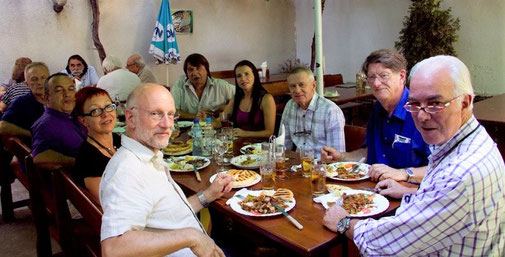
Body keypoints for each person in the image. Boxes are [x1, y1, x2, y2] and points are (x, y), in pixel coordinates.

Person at [323, 55, 505, 256]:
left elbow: (388, 245)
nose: (422, 116)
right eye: (414, 104)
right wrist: (412, 193)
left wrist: (343, 222)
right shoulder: (466, 140)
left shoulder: (461, 174)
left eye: (435, 103)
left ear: (465, 102)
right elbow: (442, 195)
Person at [100, 83, 233, 257]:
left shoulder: (147, 156)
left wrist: (207, 195)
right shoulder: (127, 171)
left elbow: (166, 216)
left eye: (170, 114)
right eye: (156, 114)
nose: (167, 124)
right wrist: (191, 237)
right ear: (131, 118)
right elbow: (113, 249)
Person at [321, 49, 429, 184]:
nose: (377, 84)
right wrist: (341, 157)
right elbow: (368, 152)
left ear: (402, 76)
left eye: (384, 75)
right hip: (373, 190)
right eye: (371, 77)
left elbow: (440, 168)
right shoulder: (378, 108)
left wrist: (403, 173)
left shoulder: (421, 112)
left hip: (408, 194)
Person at [280, 66, 345, 157]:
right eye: (293, 86)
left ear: (313, 86)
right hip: (297, 164)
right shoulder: (290, 106)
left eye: (301, 85)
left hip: (322, 166)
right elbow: (283, 143)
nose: (297, 90)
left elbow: (336, 155)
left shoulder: (330, 111)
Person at [203, 60, 276, 138]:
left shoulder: (266, 99)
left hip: (259, 147)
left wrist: (244, 133)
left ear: (254, 75)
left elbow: (269, 132)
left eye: (246, 74)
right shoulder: (237, 98)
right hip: (240, 143)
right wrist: (205, 119)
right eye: (239, 76)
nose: (243, 79)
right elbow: (219, 122)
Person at [74, 87, 120, 204]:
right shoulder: (88, 157)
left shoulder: (118, 140)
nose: (105, 114)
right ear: (83, 121)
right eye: (95, 111)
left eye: (108, 106)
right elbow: (106, 202)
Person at [31, 73, 87, 170]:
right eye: (59, 90)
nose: (67, 94)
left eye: (71, 89)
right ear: (46, 98)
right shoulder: (47, 125)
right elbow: (39, 157)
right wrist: (77, 162)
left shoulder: (70, 116)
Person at [171, 53, 235, 120]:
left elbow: (241, 95)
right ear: (186, 73)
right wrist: (195, 116)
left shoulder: (221, 85)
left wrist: (226, 107)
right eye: (191, 69)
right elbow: (172, 110)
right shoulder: (179, 85)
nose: (195, 73)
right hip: (187, 127)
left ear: (207, 70)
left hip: (214, 127)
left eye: (198, 68)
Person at [0, 62, 49, 138]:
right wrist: (32, 134)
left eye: (43, 78)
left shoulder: (56, 99)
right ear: (27, 84)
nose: (40, 82)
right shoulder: (21, 103)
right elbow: (2, 127)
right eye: (34, 79)